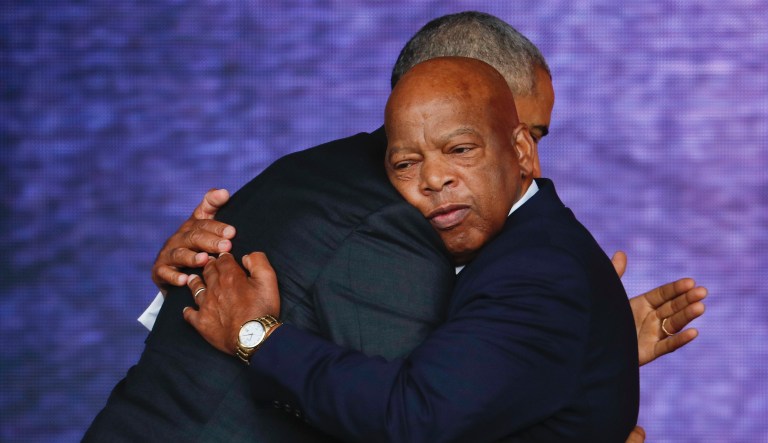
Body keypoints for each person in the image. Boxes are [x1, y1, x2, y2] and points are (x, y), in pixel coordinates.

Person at [84, 12, 705, 442]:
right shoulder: (397, 236)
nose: (532, 163)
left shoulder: (313, 167)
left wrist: (576, 350)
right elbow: (412, 422)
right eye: (524, 134)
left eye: (533, 139)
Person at [185, 56, 640, 441]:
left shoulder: (541, 271)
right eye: (406, 163)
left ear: (521, 150)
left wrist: (257, 336)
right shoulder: (499, 253)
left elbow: (414, 414)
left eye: (460, 150)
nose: (433, 179)